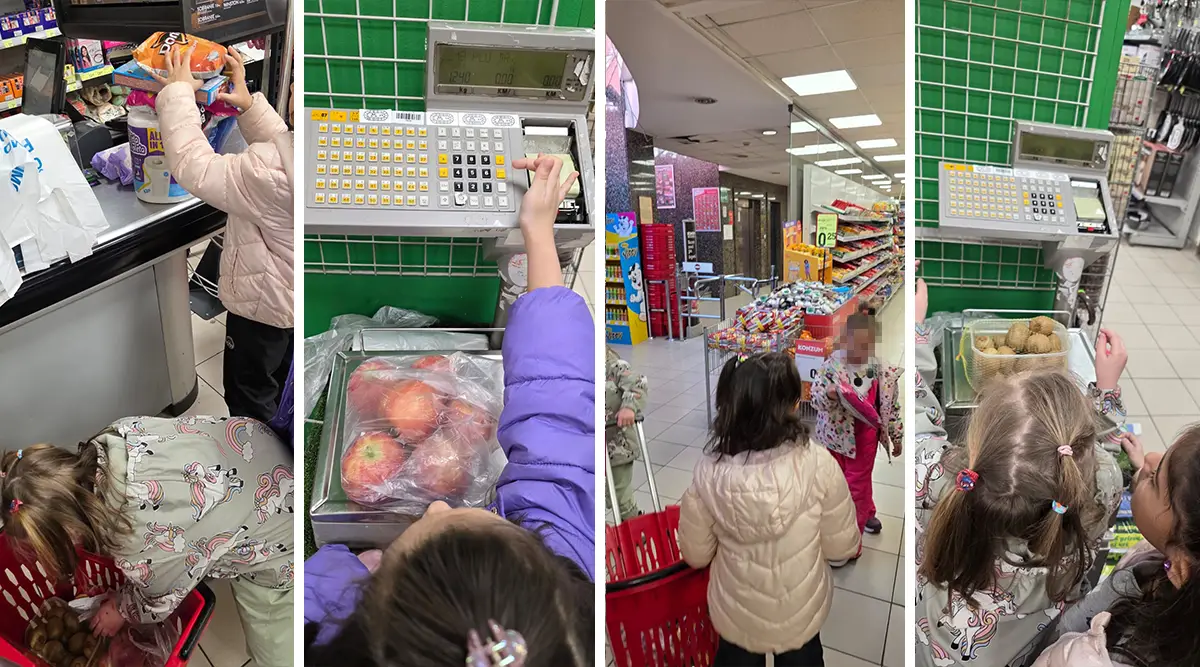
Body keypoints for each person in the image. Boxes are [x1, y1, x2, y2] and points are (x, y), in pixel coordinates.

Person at [303, 155, 595, 666]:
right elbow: (558, 397)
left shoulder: (327, 622)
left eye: (412, 552)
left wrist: (348, 571)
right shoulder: (568, 568)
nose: (438, 507)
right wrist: (538, 233)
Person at [912, 271, 1126, 667]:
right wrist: (1106, 394)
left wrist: (916, 331)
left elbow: (916, 420)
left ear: (975, 443)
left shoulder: (940, 485)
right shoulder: (1089, 505)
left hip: (932, 647)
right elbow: (1103, 468)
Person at [0, 416, 294, 667]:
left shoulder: (136, 540)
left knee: (275, 640)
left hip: (279, 535)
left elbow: (158, 600)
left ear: (69, 529)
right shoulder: (113, 439)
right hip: (255, 450)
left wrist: (121, 608)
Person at [678, 352, 860, 666]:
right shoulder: (819, 464)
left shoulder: (707, 472)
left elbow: (695, 555)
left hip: (738, 613)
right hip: (799, 611)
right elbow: (841, 547)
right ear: (790, 407)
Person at [151, 43, 294, 423]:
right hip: (290, 299)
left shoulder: (272, 175)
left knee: (249, 393)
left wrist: (177, 94)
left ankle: (259, 466)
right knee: (279, 378)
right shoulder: (321, 155)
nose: (292, 90)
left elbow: (193, 166)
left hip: (260, 307)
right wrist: (250, 106)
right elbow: (287, 145)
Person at [1031, 428, 1200, 667]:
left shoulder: (1100, 659)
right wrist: (1143, 476)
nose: (1151, 458)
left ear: (1181, 567)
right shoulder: (1178, 560)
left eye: (1156, 480)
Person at [811, 306, 902, 549]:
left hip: (864, 442)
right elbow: (815, 398)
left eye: (866, 346)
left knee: (857, 489)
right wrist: (830, 395)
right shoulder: (832, 368)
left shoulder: (882, 372)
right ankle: (862, 512)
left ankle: (852, 538)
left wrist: (897, 435)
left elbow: (890, 407)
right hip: (834, 439)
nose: (859, 352)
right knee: (836, 484)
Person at [605, 345, 647, 521]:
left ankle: (634, 527)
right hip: (590, 450)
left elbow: (639, 383)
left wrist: (629, 407)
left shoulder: (614, 365)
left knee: (621, 494)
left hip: (618, 447)